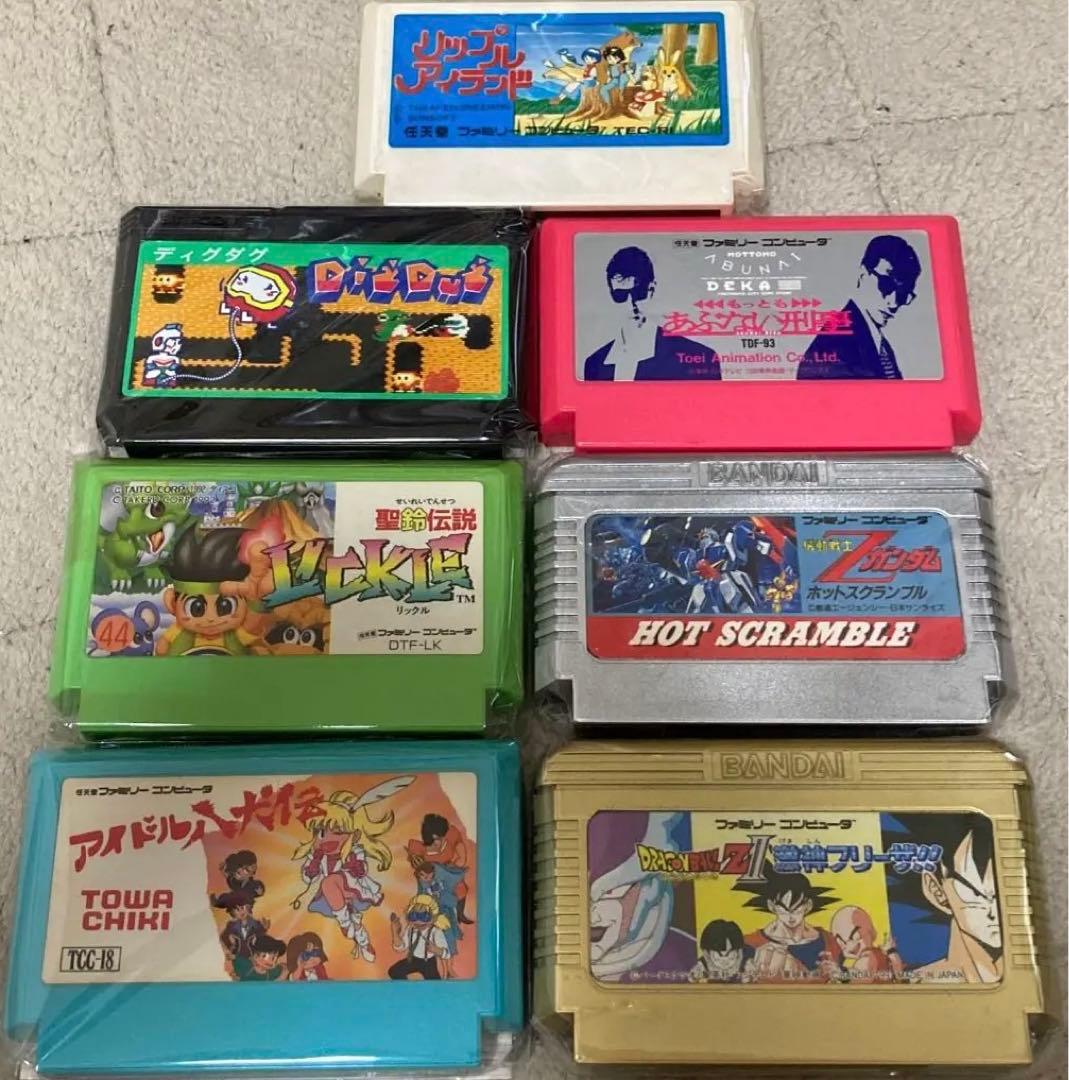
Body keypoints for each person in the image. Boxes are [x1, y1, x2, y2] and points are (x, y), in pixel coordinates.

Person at [890, 814, 1002, 984]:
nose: (992, 912)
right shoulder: (915, 983)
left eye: (995, 896)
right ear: (937, 891)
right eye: (974, 894)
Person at [583, 246, 720, 382]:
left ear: (651, 289)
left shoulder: (699, 357)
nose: (631, 304)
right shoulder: (594, 364)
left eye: (638, 293)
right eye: (620, 295)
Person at [797, 235, 921, 380]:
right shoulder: (836, 342)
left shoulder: (873, 339)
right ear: (863, 275)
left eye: (903, 294)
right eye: (886, 285)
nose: (893, 303)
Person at [733, 862, 842, 982]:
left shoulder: (828, 941)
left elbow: (846, 980)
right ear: (771, 906)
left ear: (808, 905)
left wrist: (838, 974)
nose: (791, 916)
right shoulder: (750, 944)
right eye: (784, 910)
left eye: (796, 909)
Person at [829, 905, 902, 982]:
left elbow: (862, 975)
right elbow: (898, 972)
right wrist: (891, 951)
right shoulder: (879, 953)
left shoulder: (866, 958)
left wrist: (840, 972)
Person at [688, 920, 754, 983]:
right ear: (707, 953)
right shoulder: (703, 963)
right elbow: (691, 977)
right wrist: (694, 976)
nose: (724, 959)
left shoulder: (746, 962)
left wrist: (750, 977)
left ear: (738, 951)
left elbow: (754, 975)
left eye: (729, 954)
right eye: (719, 955)